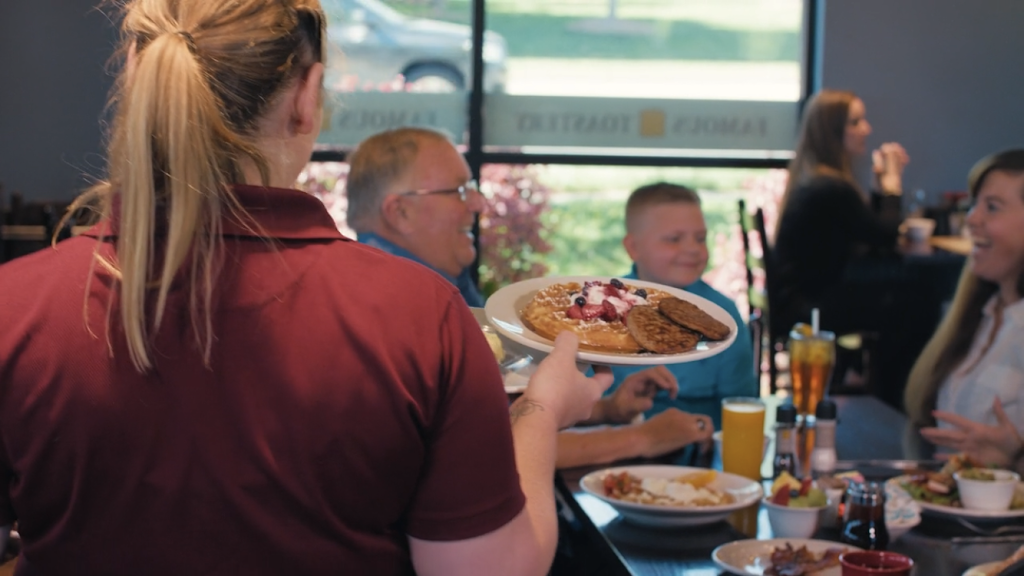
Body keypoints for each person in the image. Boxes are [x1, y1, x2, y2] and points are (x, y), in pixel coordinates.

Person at [0, 1, 612, 574]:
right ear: (306, 97)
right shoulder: (420, 316)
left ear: (136, 78)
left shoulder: (14, 307)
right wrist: (540, 412)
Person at [345, 128, 713, 470]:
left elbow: (495, 411)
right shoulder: (394, 309)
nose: (479, 203)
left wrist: (606, 410)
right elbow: (482, 447)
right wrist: (639, 438)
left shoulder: (432, 283)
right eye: (459, 191)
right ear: (400, 212)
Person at [772, 88, 933, 409]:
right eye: (856, 122)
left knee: (906, 299)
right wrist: (892, 187)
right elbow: (884, 236)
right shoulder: (830, 187)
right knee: (916, 303)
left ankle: (872, 383)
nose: (866, 129)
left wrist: (877, 189)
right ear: (833, 132)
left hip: (800, 299)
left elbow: (866, 232)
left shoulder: (818, 180)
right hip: (811, 305)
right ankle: (894, 399)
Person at [608, 182, 758, 430]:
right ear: (633, 247)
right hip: (616, 442)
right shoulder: (605, 310)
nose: (693, 249)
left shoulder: (721, 315)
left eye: (701, 238)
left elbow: (740, 404)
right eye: (674, 239)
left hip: (701, 442)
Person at [906, 149, 1024, 444]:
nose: (972, 218)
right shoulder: (982, 312)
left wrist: (1014, 459)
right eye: (974, 205)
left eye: (992, 207)